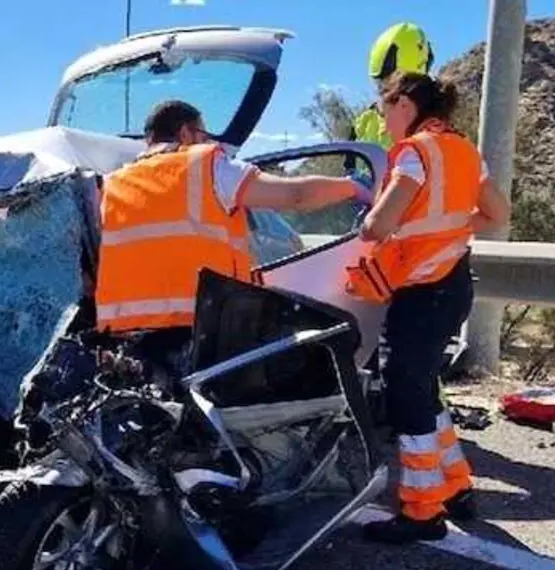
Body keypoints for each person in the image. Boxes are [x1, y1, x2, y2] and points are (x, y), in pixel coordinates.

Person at [347, 73, 510, 543]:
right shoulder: (462, 150)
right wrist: (451, 231)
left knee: (405, 395)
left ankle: (422, 512)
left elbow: (378, 226)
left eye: (385, 106)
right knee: (422, 390)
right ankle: (456, 486)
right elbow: (498, 214)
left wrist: (369, 218)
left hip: (421, 291)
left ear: (406, 104)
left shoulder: (416, 153)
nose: (383, 117)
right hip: (455, 283)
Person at [95, 99, 374, 348]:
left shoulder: (111, 185)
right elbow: (295, 195)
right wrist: (352, 188)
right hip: (204, 334)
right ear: (185, 133)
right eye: (203, 135)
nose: (206, 143)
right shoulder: (207, 165)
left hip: (127, 346)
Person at [352, 23, 435, 152]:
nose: (384, 95)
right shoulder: (364, 122)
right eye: (381, 83)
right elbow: (350, 166)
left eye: (390, 84)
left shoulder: (431, 126)